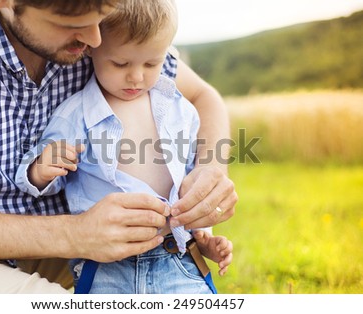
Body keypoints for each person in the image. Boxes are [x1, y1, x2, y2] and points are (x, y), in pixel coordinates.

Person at [0, 0, 237, 293]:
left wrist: (211, 168)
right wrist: (74, 234)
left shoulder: (103, 40)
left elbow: (202, 97)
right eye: (72, 23)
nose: (96, 40)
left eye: (103, 17)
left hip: (70, 252)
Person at [16, 0, 233, 294]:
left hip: (176, 257)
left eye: (152, 63)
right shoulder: (76, 113)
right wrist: (41, 170)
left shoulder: (176, 106)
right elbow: (42, 175)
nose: (136, 76)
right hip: (107, 264)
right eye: (120, 64)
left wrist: (203, 234)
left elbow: (191, 178)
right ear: (91, 47)